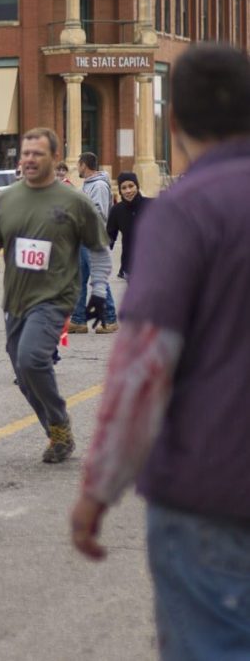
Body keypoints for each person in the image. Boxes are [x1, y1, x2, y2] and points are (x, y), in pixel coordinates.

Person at [71, 43, 250, 659]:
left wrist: (100, 487)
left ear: (172, 122)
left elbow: (143, 366)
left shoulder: (186, 210)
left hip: (214, 489)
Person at [0, 128, 111, 463]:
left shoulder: (75, 202)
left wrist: (100, 290)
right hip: (16, 300)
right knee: (23, 373)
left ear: (55, 159)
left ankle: (59, 422)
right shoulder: (4, 199)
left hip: (55, 297)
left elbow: (100, 250)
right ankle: (57, 432)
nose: (29, 159)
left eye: (38, 154)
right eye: (25, 153)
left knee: (32, 359)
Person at [68, 152, 119, 335]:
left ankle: (110, 319)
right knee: (79, 280)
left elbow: (99, 213)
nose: (77, 168)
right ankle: (79, 320)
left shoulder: (98, 186)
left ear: (84, 165)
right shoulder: (87, 185)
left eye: (78, 165)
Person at [106, 171, 151, 279]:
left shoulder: (152, 205)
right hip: (129, 268)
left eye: (131, 186)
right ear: (120, 191)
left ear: (137, 186)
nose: (128, 191)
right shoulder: (117, 210)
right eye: (124, 188)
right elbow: (109, 237)